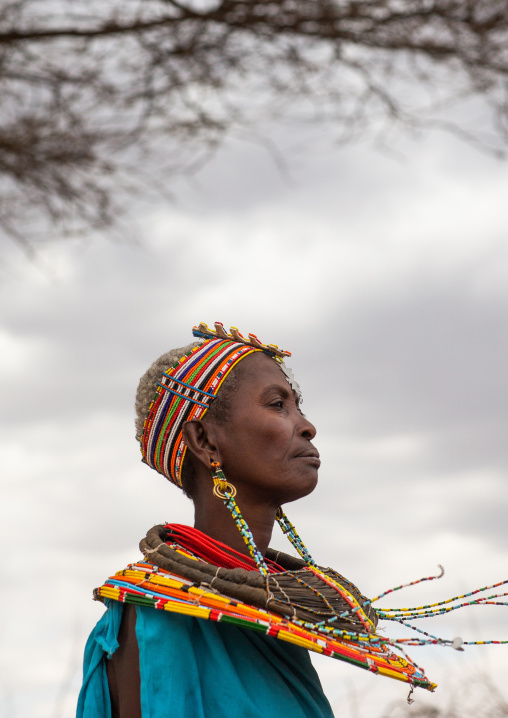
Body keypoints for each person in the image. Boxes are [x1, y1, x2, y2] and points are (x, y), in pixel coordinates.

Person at [77, 322, 426, 718]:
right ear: (205, 441)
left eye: (298, 406)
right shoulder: (158, 616)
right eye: (278, 405)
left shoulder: (276, 619)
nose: (308, 426)